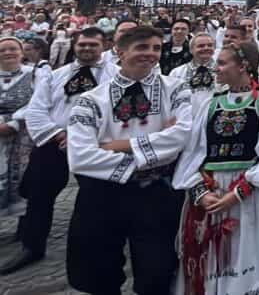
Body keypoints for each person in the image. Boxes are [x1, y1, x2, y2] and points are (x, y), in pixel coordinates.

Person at [65, 25, 194, 295]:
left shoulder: (176, 89)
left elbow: (182, 136)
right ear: (120, 52)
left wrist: (118, 145)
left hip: (156, 194)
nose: (150, 54)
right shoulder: (90, 100)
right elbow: (80, 157)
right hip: (103, 194)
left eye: (156, 48)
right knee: (99, 272)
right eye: (142, 47)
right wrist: (153, 154)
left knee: (157, 271)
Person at [173, 39, 259, 295]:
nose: (217, 68)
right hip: (210, 190)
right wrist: (201, 193)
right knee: (208, 260)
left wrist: (236, 195)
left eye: (222, 63)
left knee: (243, 257)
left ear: (243, 66)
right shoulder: (211, 102)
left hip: (246, 196)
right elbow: (193, 152)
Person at [5, 28, 111, 275]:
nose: (86, 49)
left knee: (95, 199)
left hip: (94, 145)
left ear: (103, 45)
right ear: (74, 45)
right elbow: (37, 109)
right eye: (82, 44)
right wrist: (58, 134)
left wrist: (81, 137)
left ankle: (91, 248)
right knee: (39, 194)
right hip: (54, 142)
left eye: (92, 45)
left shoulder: (115, 76)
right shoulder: (55, 75)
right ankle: (32, 245)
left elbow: (115, 114)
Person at [0, 36, 33, 223]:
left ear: (21, 52)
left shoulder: (34, 74)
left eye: (12, 49)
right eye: (2, 50)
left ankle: (24, 228)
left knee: (23, 178)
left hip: (24, 134)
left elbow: (38, 102)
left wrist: (13, 123)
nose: (7, 53)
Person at [178, 33, 223, 112]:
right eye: (201, 46)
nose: (206, 48)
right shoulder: (178, 72)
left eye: (210, 45)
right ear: (191, 50)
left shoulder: (223, 71)